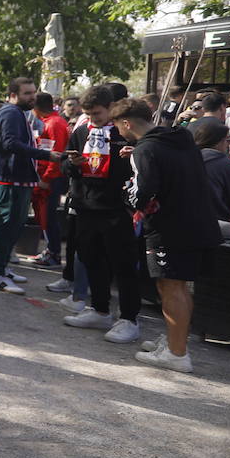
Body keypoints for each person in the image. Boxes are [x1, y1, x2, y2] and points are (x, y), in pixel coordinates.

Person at [110, 97, 221, 372]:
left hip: (170, 226)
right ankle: (175, 341)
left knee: (172, 287)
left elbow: (142, 193)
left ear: (126, 123)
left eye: (118, 127)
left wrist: (127, 190)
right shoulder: (180, 138)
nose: (119, 133)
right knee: (177, 286)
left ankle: (176, 353)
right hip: (197, 221)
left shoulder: (146, 150)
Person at [57, 85, 142, 342]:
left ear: (110, 109)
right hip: (86, 206)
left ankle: (129, 318)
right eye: (89, 114)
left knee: (123, 264)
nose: (93, 118)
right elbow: (64, 163)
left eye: (97, 113)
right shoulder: (81, 131)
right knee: (91, 258)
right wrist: (71, 164)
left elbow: (139, 165)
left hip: (116, 208)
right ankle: (100, 308)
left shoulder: (124, 132)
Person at [0, 78, 64, 295]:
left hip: (18, 178)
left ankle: (3, 268)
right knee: (6, 225)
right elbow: (11, 144)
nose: (33, 97)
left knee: (15, 225)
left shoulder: (17, 113)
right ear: (13, 94)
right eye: (27, 93)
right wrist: (47, 155)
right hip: (9, 178)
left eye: (33, 92)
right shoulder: (10, 113)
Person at [26, 92, 70, 267]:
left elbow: (56, 154)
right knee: (43, 216)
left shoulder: (55, 124)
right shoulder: (49, 122)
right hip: (45, 177)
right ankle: (50, 250)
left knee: (49, 216)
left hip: (51, 179)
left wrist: (46, 178)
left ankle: (54, 254)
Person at [190, 118, 230, 230]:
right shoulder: (227, 165)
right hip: (216, 223)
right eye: (227, 140)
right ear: (219, 141)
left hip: (183, 220)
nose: (229, 145)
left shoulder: (185, 159)